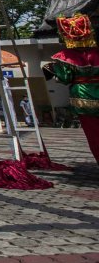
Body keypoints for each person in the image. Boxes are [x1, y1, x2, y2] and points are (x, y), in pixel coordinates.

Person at [43, 14, 99, 162]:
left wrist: (51, 70)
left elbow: (64, 78)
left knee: (94, 133)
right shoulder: (96, 52)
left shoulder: (66, 56)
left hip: (83, 97)